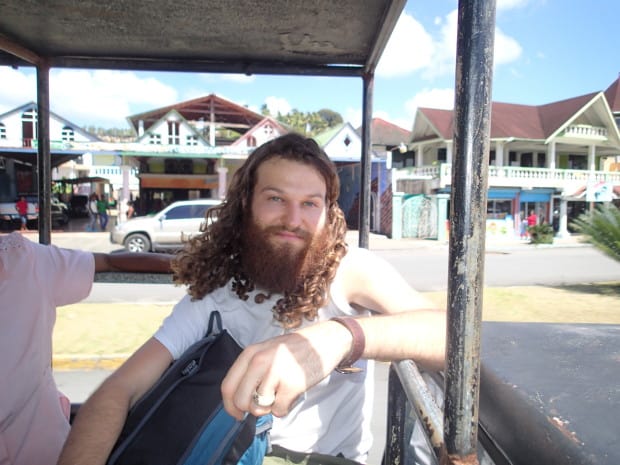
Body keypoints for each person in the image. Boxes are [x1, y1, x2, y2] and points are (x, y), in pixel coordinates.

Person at [58, 134, 446, 465]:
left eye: (311, 203)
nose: (294, 219)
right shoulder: (216, 291)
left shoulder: (350, 269)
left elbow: (451, 336)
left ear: (328, 214)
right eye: (276, 199)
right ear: (246, 204)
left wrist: (337, 338)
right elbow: (119, 389)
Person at [0, 231, 172, 465]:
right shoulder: (25, 259)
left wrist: (189, 263)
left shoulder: (25, 258)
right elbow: (110, 261)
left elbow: (108, 261)